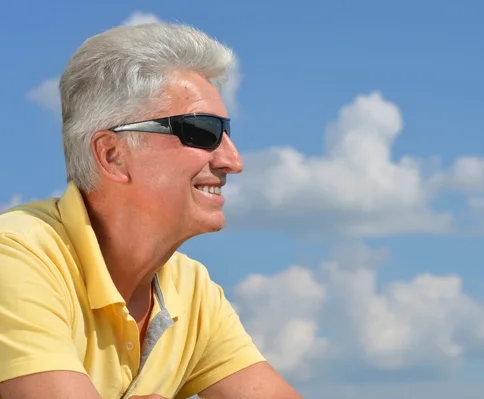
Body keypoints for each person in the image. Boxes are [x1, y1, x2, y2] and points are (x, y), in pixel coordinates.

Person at [0, 23, 303, 399]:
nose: (233, 160)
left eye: (227, 132)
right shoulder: (15, 257)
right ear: (112, 155)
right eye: (202, 131)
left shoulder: (191, 288)